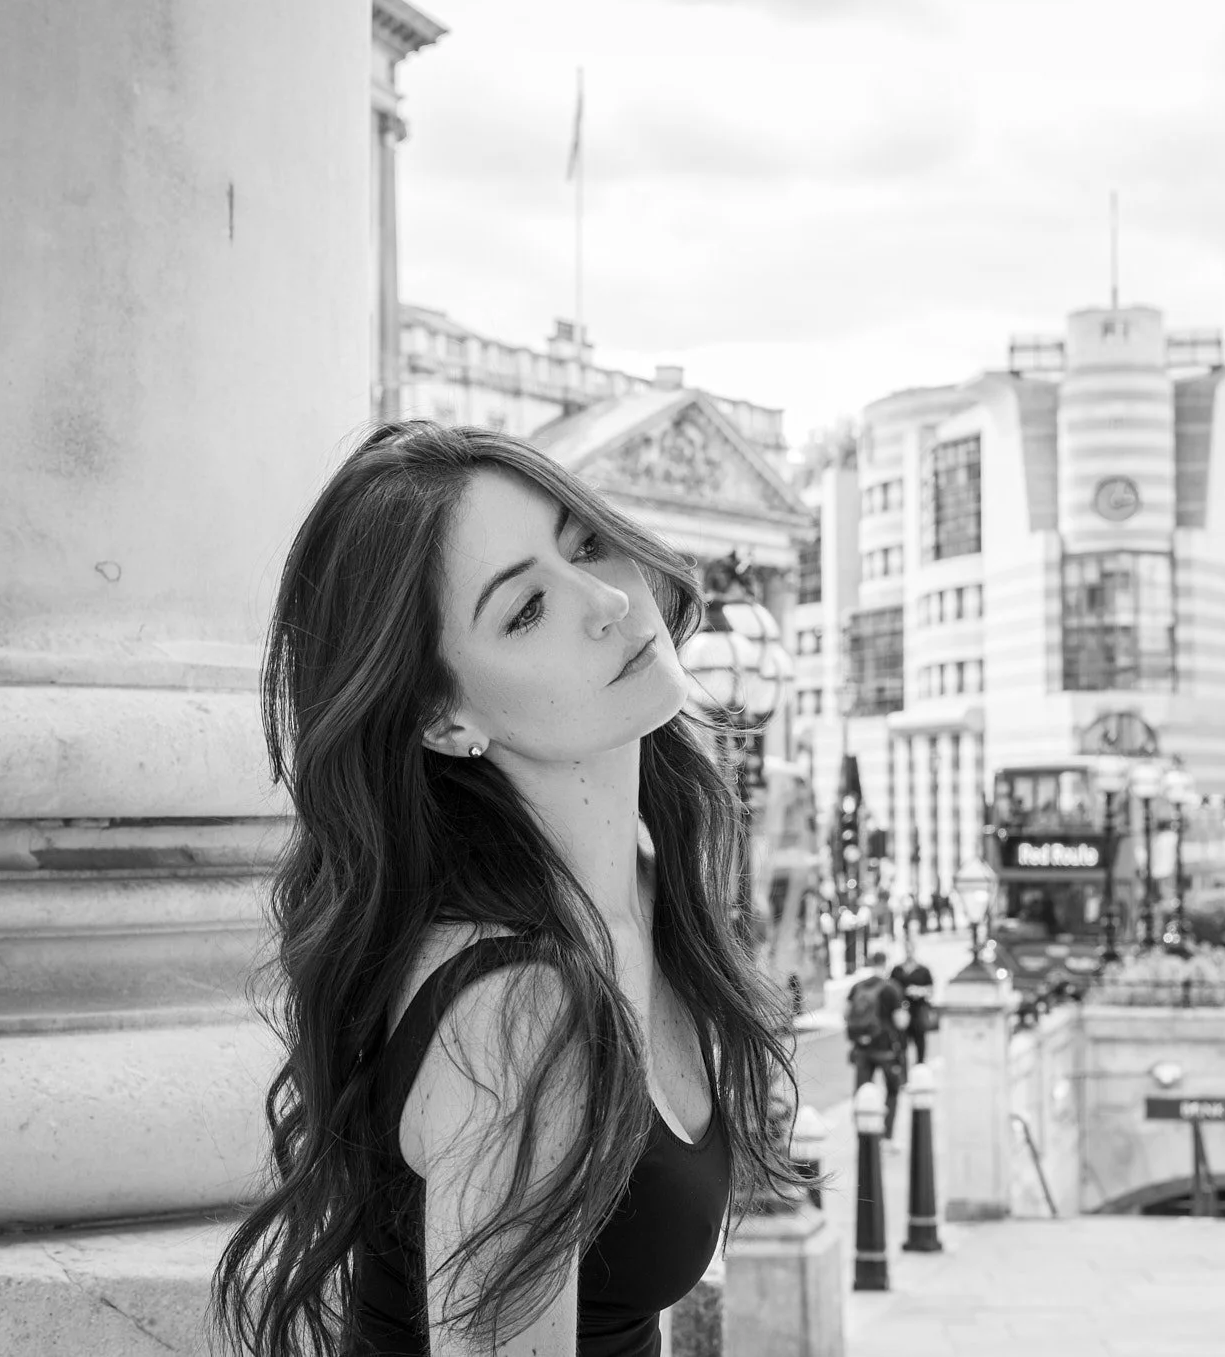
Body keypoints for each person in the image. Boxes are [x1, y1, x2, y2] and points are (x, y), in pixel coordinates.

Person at [214, 423, 800, 1357]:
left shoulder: (646, 882)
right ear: (444, 718)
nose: (607, 600)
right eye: (526, 609)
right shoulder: (519, 1008)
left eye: (587, 545)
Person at [846, 949, 906, 1115]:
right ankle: (887, 1127)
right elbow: (900, 1021)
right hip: (886, 1048)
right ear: (886, 963)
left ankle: (862, 1126)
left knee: (862, 1091)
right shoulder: (892, 988)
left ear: (871, 963)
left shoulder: (857, 986)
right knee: (892, 1090)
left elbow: (845, 1014)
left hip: (862, 1047)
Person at [888, 932, 937, 1065]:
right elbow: (890, 988)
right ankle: (902, 1070)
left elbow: (931, 989)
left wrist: (919, 991)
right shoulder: (897, 970)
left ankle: (920, 1066)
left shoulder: (923, 970)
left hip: (918, 1009)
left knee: (920, 1041)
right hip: (902, 1010)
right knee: (901, 1042)